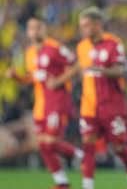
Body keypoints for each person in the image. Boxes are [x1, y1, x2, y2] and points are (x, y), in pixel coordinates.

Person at [48, 7, 127, 189]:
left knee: (120, 149)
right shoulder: (82, 46)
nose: (82, 29)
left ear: (98, 25)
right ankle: (88, 186)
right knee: (88, 145)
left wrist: (100, 69)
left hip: (112, 106)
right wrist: (59, 80)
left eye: (86, 26)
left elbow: (121, 70)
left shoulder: (114, 44)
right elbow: (79, 67)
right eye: (81, 26)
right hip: (89, 106)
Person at [6, 17, 83, 189]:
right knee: (42, 145)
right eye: (31, 28)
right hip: (41, 104)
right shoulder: (30, 53)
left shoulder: (55, 48)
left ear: (45, 29)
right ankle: (62, 182)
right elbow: (33, 78)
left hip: (58, 101)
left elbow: (76, 66)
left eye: (38, 27)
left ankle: (82, 156)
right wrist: (16, 77)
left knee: (49, 142)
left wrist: (58, 81)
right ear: (27, 31)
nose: (35, 31)